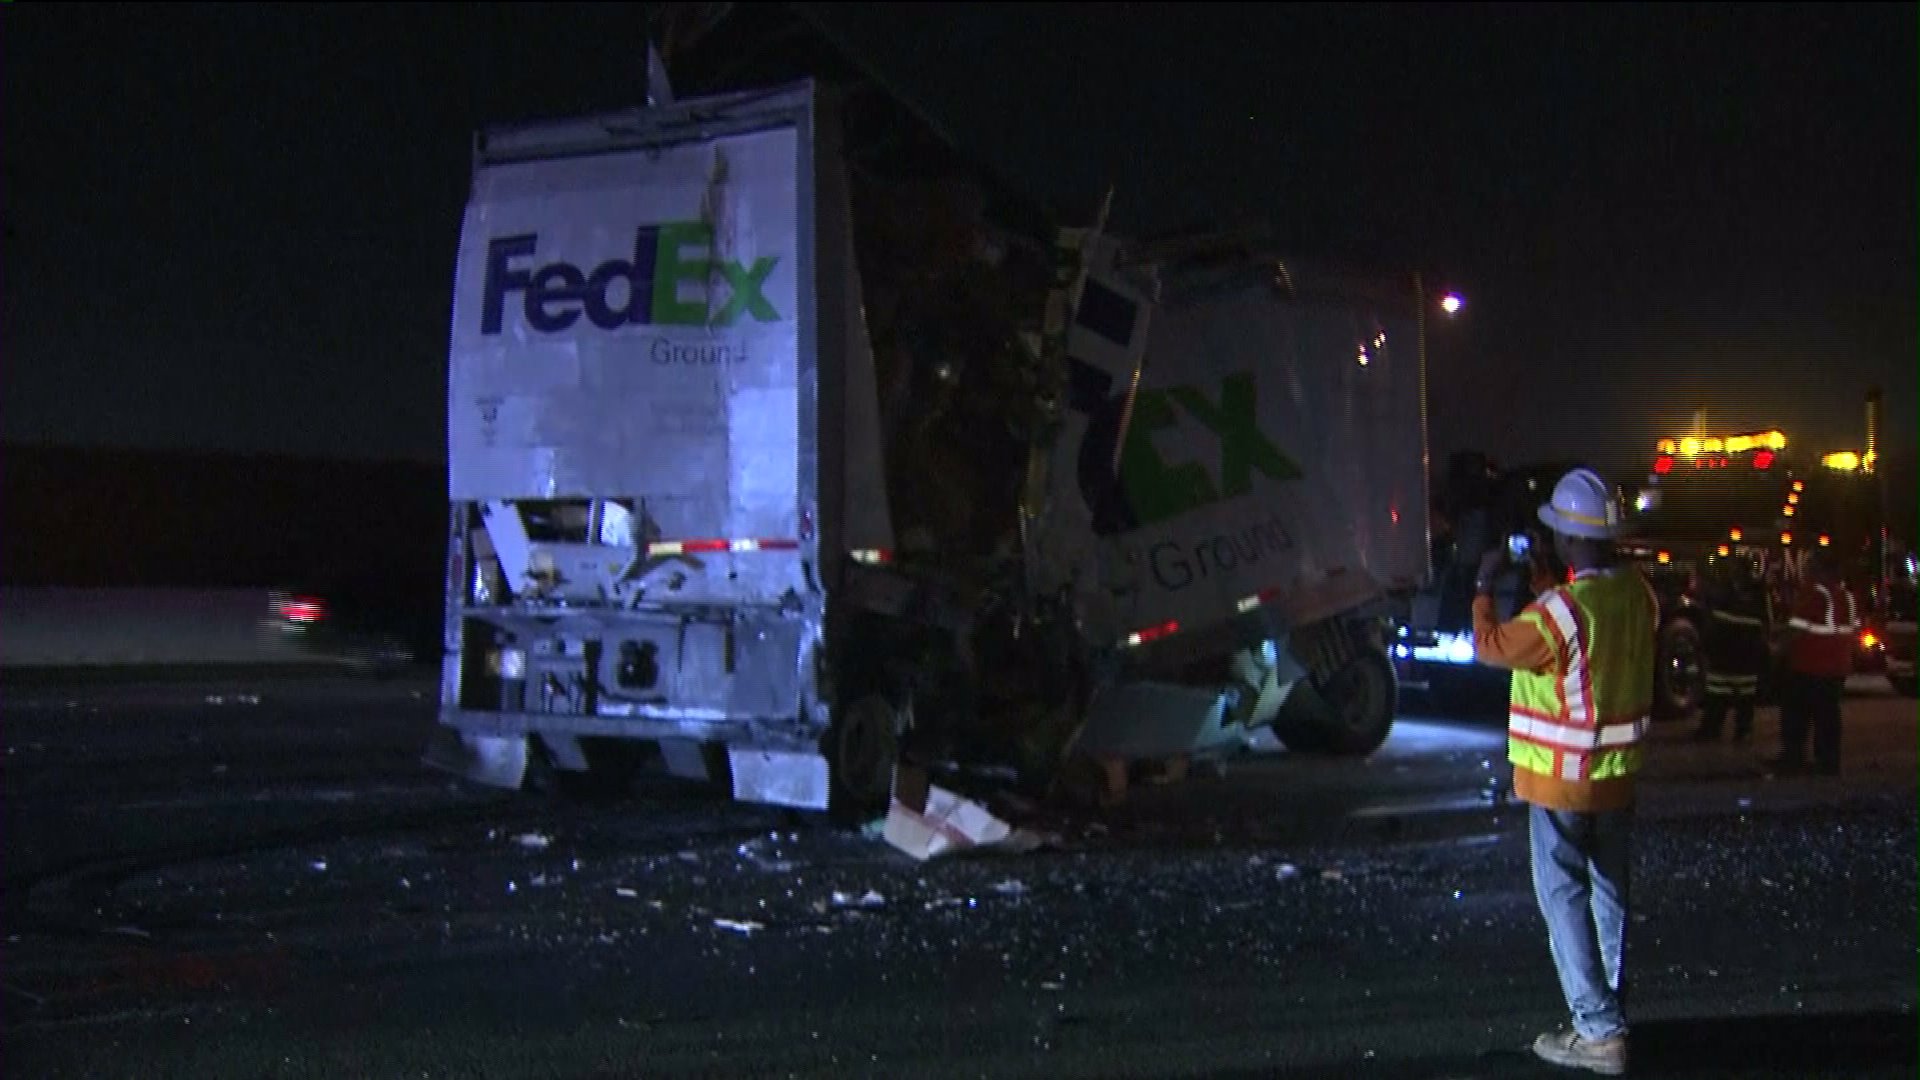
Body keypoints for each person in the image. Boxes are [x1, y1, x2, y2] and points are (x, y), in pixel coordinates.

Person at [1471, 468, 1658, 1076]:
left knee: (1564, 896)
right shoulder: (1640, 596)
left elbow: (1493, 645)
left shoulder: (1560, 611)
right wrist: (1553, 588)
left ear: (1570, 539)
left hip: (1560, 780)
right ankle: (1607, 1010)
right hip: (1617, 775)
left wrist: (1482, 584)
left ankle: (1598, 1029)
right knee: (1609, 894)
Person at [1774, 547, 1859, 775]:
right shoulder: (1846, 596)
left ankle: (1793, 759)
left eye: (1810, 566)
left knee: (1796, 715)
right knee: (1828, 717)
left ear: (1820, 569)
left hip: (1809, 666)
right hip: (1837, 667)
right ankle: (1829, 763)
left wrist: (1776, 648)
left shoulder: (1814, 593)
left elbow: (1796, 629)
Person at [1694, 556, 1772, 742]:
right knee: (1742, 697)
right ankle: (1740, 731)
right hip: (1744, 653)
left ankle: (1713, 730)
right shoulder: (1757, 593)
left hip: (1728, 652)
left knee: (1719, 695)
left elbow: (1714, 617)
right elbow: (1764, 622)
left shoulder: (1727, 592)